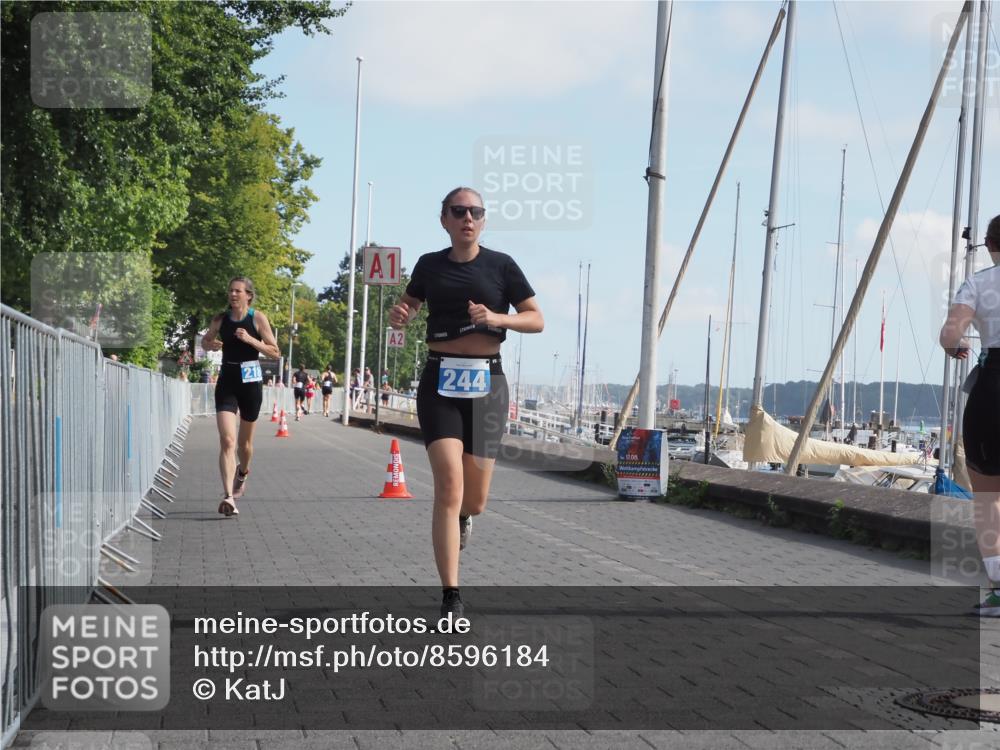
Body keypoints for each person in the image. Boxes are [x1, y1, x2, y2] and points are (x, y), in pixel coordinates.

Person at [389, 186, 543, 617]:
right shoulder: (429, 265)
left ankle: (463, 520)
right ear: (444, 219)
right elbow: (408, 307)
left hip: (487, 385)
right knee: (449, 487)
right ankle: (451, 596)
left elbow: (536, 318)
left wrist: (497, 317)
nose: (467, 218)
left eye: (475, 211)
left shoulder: (502, 266)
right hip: (440, 380)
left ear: (483, 219)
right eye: (459, 211)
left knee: (473, 501)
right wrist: (401, 314)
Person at [940, 214, 1000, 616]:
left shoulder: (979, 283)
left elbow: (950, 332)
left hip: (994, 387)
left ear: (990, 244)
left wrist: (955, 344)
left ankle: (998, 591)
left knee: (988, 499)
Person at [200, 276, 281, 517]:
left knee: (245, 446)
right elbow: (205, 340)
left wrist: (250, 339)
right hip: (227, 381)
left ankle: (243, 472)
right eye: (230, 291)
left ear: (248, 295)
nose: (233, 295)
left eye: (238, 291)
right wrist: (210, 344)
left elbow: (275, 352)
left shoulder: (257, 318)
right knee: (227, 441)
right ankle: (228, 497)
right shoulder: (220, 319)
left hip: (251, 383)